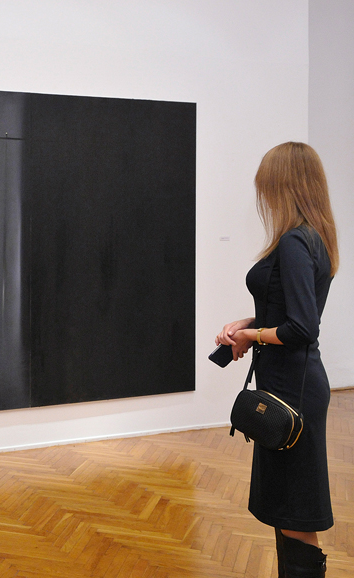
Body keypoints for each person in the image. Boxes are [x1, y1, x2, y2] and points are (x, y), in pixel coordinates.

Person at [216, 142, 339, 577]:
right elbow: (291, 312)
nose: (263, 195)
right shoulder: (312, 237)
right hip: (291, 384)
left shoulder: (293, 241)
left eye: (266, 185)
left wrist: (252, 335)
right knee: (288, 511)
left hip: (294, 390)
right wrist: (250, 323)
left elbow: (303, 328)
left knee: (296, 514)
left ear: (284, 185)